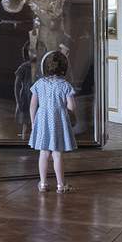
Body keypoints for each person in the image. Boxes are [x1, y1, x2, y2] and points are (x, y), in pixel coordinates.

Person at [29, 51, 77, 193]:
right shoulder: (65, 85)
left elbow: (32, 105)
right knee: (57, 153)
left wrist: (33, 123)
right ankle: (61, 185)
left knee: (43, 152)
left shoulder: (39, 84)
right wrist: (69, 115)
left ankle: (43, 183)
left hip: (43, 120)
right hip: (59, 120)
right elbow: (72, 106)